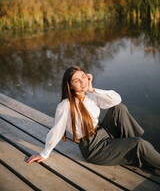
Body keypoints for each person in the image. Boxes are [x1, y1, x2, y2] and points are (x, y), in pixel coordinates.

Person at [27, 66, 160, 175]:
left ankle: (132, 148)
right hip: (94, 148)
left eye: (83, 77)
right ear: (70, 86)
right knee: (139, 144)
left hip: (103, 132)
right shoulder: (66, 106)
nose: (82, 82)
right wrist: (45, 153)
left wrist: (92, 89)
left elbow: (116, 100)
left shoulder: (91, 95)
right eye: (76, 80)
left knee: (119, 108)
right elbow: (57, 130)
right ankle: (136, 148)